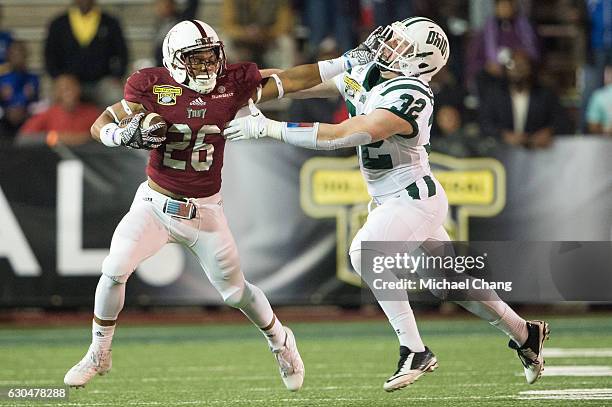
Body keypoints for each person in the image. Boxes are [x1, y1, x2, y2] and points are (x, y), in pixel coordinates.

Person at [225, 17, 550, 391]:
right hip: (390, 200)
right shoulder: (368, 69)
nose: (387, 48)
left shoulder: (413, 94)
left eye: (401, 46)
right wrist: (244, 88)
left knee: (365, 251)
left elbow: (348, 133)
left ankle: (414, 350)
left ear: (422, 62)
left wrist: (269, 128)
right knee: (451, 286)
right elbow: (305, 82)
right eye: (391, 40)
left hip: (414, 198)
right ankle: (526, 334)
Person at [63, 18, 378, 391]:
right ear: (175, 59)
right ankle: (99, 352)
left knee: (235, 292)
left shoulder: (232, 82)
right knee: (114, 268)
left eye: (211, 57)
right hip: (155, 203)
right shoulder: (150, 85)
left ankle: (281, 339)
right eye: (196, 59)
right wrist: (121, 135)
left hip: (205, 211)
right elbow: (102, 123)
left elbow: (291, 79)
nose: (207, 66)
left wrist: (345, 62)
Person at [44, 0, 128, 107]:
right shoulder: (58, 23)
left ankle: (110, 124)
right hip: (69, 82)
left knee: (115, 97)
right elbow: (49, 56)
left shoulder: (110, 22)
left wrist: (117, 76)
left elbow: (122, 54)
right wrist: (59, 78)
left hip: (101, 82)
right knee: (55, 100)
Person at [478, 49, 567, 148]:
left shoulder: (545, 94)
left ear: (531, 68)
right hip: (502, 151)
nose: (517, 68)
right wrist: (504, 135)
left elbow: (562, 121)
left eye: (522, 64)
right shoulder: (494, 94)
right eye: (511, 65)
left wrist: (549, 131)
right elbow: (484, 123)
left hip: (538, 153)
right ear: (505, 69)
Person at [18, 74, 100, 145]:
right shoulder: (48, 114)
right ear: (56, 92)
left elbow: (107, 136)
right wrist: (54, 137)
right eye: (63, 89)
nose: (68, 92)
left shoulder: (92, 113)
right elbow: (23, 138)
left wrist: (85, 138)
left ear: (78, 89)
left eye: (71, 87)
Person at [0, 41, 39, 144]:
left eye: (21, 53)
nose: (17, 57)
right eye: (14, 54)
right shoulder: (2, 78)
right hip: (4, 121)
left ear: (26, 55)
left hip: (26, 120)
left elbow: (36, 102)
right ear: (8, 56)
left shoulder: (33, 78)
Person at [586, 64, 612, 136]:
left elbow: (592, 126)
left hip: (606, 141)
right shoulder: (599, 96)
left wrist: (606, 130)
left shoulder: (599, 96)